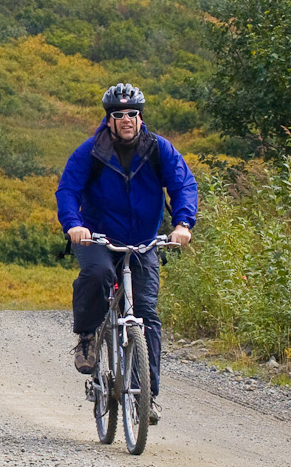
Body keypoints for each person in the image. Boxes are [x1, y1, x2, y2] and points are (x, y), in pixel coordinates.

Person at [56, 83, 196, 424]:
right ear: (108, 120)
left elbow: (182, 184)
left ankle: (145, 396)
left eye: (132, 114)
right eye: (119, 115)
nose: (127, 120)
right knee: (98, 275)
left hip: (144, 241)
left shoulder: (158, 149)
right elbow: (68, 189)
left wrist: (183, 224)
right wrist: (75, 224)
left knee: (146, 314)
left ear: (140, 116)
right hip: (97, 238)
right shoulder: (91, 151)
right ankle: (88, 337)